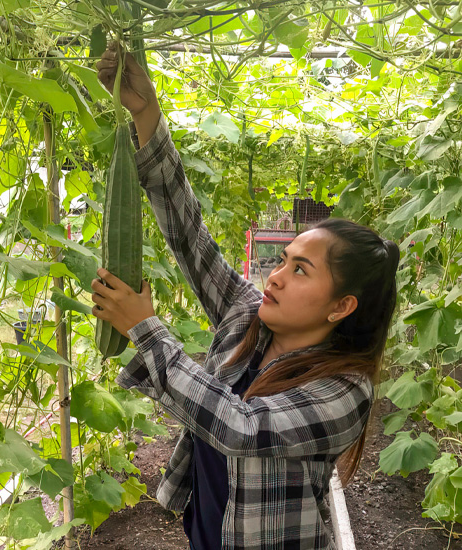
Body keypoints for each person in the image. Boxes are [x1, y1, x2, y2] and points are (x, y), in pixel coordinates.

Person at [91, 46, 396, 550]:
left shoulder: (345, 391)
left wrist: (147, 329)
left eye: (300, 270)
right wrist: (146, 113)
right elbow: (189, 235)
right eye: (282, 260)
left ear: (341, 306)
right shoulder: (246, 314)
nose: (275, 277)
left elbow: (241, 428)